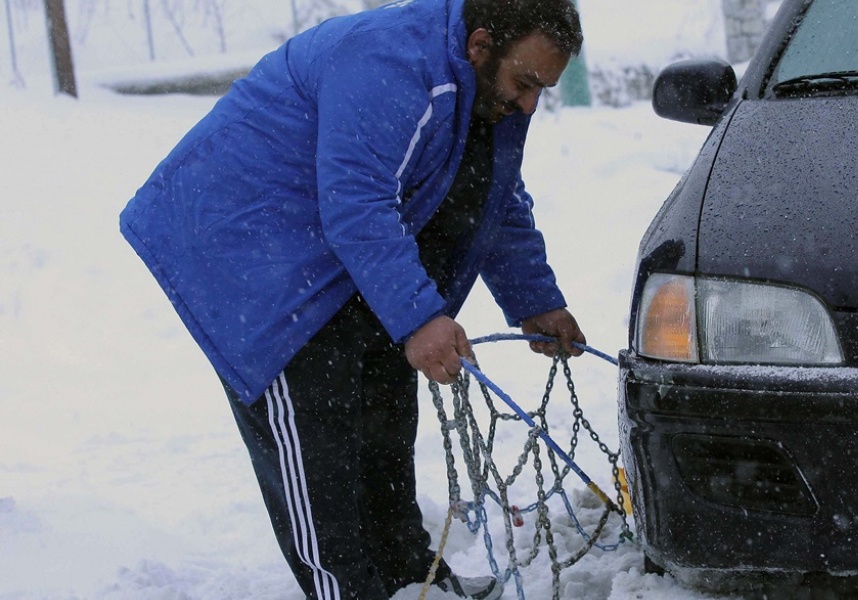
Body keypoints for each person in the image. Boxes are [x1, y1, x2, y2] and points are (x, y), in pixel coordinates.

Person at [118, 0, 586, 598]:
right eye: (526, 83)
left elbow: (490, 192)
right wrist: (419, 317)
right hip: (246, 242)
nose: (531, 103)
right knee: (318, 437)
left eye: (543, 88)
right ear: (479, 44)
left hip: (328, 240)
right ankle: (346, 588)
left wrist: (533, 298)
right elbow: (357, 202)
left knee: (383, 411)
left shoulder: (492, 88)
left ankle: (409, 580)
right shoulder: (390, 61)